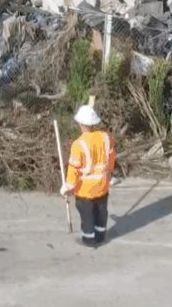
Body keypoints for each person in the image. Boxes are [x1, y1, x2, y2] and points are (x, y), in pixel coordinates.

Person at [60, 104, 116, 247]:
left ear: (80, 124)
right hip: (102, 186)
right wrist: (108, 177)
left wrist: (67, 187)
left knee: (87, 216)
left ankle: (89, 239)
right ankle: (101, 236)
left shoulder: (78, 145)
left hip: (85, 190)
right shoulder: (106, 138)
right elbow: (111, 160)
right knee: (101, 212)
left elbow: (74, 170)